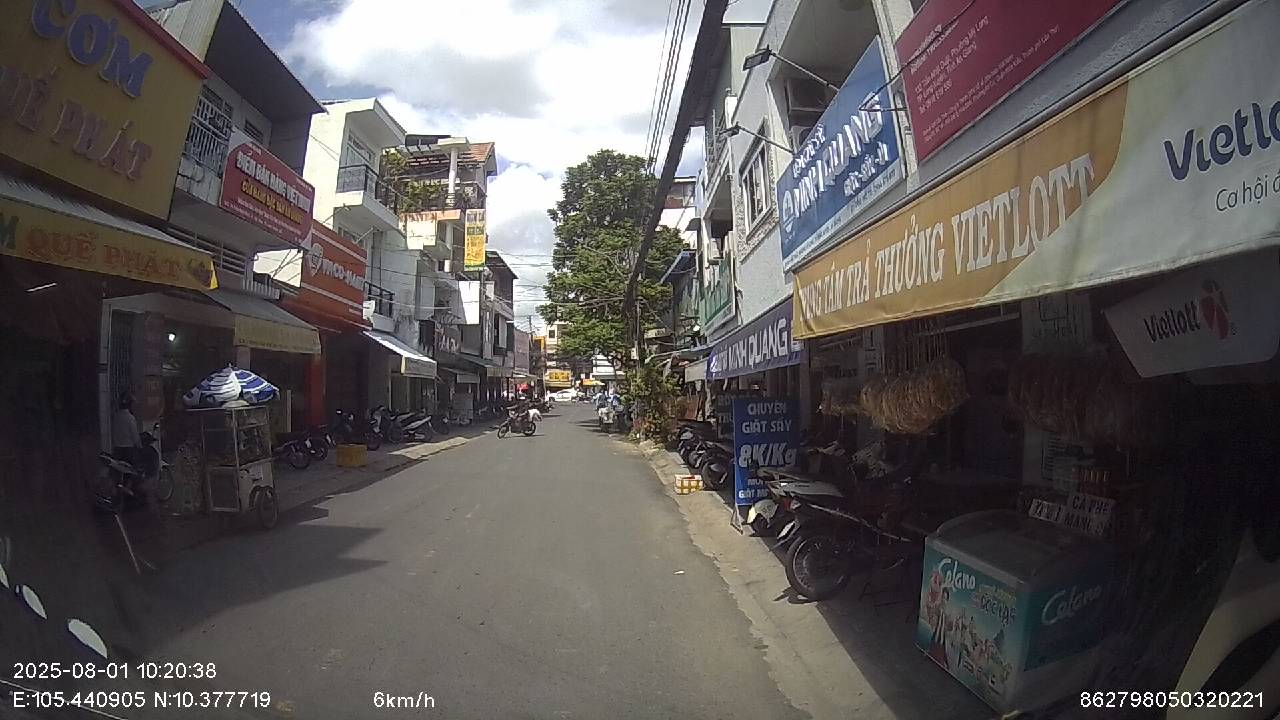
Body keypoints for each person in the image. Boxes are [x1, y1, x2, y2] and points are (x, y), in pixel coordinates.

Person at [112, 392, 142, 467]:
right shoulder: (130, 418)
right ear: (130, 405)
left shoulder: (116, 417)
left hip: (117, 450)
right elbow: (135, 436)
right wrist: (140, 446)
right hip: (128, 451)